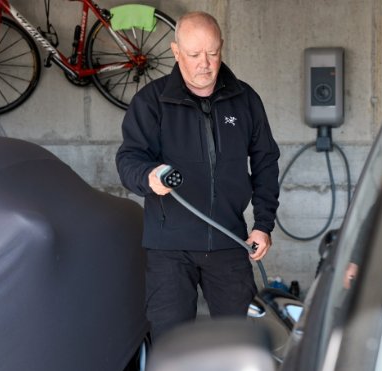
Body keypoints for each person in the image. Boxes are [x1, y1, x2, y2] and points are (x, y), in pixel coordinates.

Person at [115, 10, 280, 343]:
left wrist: (263, 224)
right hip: (169, 249)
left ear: (222, 48)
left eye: (213, 53)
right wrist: (149, 177)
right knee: (171, 345)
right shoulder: (151, 102)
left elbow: (265, 161)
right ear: (176, 53)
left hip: (229, 241)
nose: (205, 63)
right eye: (193, 55)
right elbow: (129, 158)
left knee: (237, 342)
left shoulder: (245, 99)